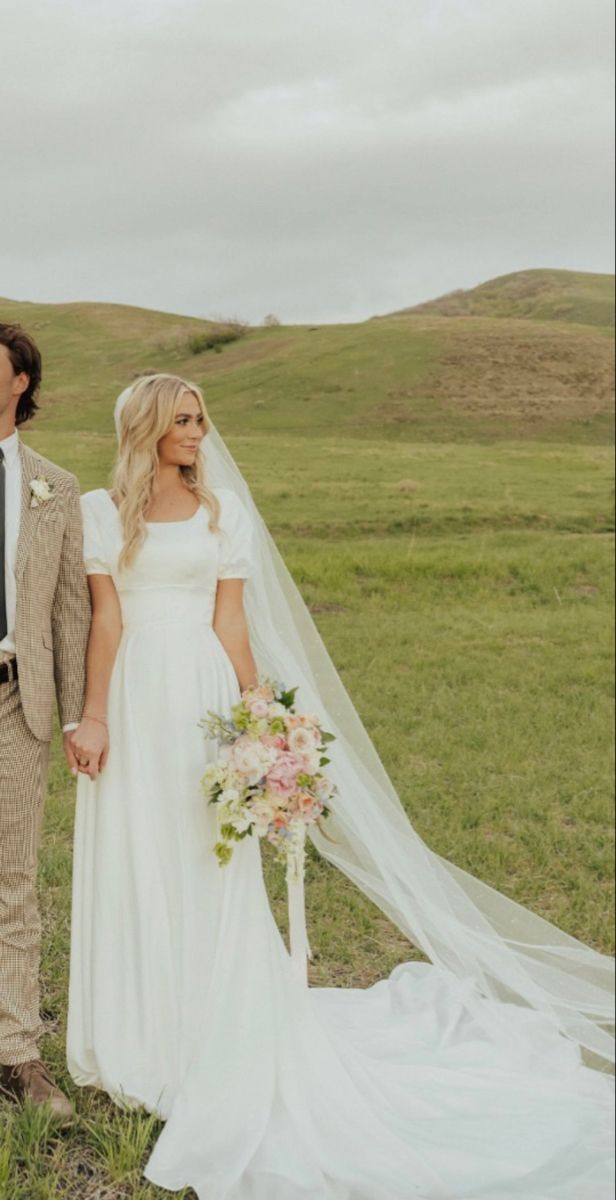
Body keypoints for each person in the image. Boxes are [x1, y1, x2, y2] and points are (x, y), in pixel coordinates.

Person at [68, 373, 614, 1199]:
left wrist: (261, 726)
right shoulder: (100, 514)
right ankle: (141, 1038)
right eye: (182, 420)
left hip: (207, 697)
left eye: (201, 418)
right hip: (137, 698)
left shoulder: (224, 515)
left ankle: (213, 1033)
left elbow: (230, 625)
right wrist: (95, 716)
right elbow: (107, 621)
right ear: (144, 427)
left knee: (206, 863)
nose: (198, 432)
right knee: (137, 858)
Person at [0, 323, 90, 1123]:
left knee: (13, 879)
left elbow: (70, 613)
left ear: (20, 381)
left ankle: (17, 1052)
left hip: (13, 699)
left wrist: (78, 717)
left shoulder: (53, 488)